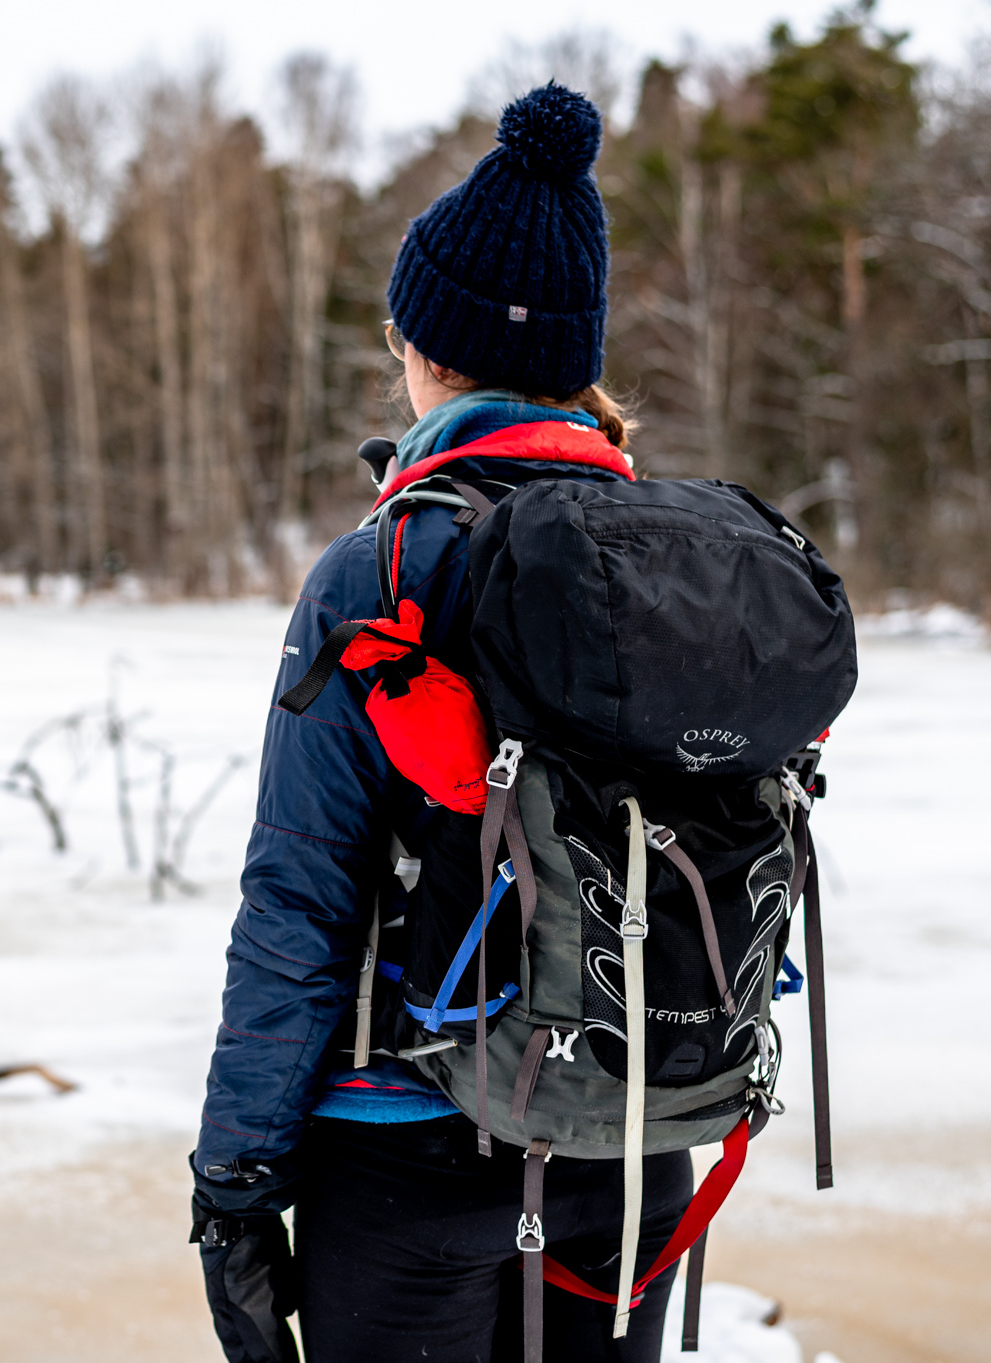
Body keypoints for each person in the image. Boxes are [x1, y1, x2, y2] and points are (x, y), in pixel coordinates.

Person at [190, 83, 692, 1363]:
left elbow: (297, 897)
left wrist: (235, 1182)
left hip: (407, 1152)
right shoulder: (679, 559)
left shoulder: (383, 570)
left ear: (423, 348)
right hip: (632, 1149)